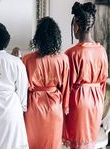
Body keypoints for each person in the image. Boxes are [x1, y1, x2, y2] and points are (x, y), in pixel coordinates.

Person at [63, 2, 108, 149]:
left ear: (77, 24)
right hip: (96, 102)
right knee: (89, 142)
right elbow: (103, 81)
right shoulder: (101, 50)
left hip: (78, 101)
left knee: (77, 143)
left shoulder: (71, 53)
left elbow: (66, 85)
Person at [22, 17, 70, 149]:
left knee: (33, 144)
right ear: (56, 36)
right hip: (54, 106)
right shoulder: (63, 59)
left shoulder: (27, 59)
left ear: (38, 37)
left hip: (33, 108)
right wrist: (65, 106)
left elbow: (22, 89)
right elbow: (66, 86)